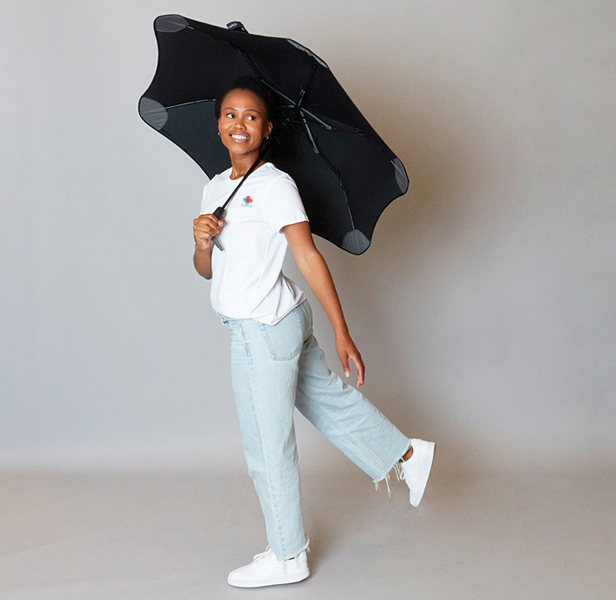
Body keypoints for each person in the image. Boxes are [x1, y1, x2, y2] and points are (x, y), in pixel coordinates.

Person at [193, 76, 435, 588]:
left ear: (268, 128)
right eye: (231, 115)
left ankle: (288, 555)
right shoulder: (216, 189)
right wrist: (200, 240)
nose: (240, 123)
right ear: (218, 124)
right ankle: (407, 455)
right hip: (276, 321)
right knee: (330, 404)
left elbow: (307, 255)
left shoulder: (275, 185)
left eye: (252, 117)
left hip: (265, 330)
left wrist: (342, 331)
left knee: (266, 444)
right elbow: (207, 270)